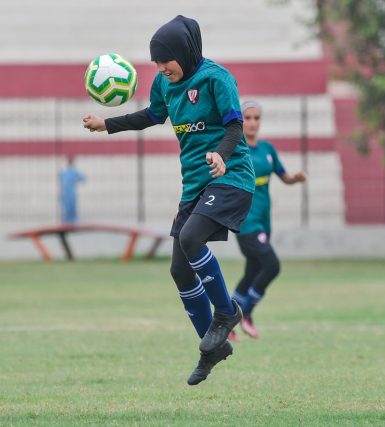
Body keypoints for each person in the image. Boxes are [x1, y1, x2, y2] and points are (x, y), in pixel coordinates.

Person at [82, 15, 255, 386]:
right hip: (195, 185)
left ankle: (226, 314)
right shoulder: (164, 84)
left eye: (166, 61)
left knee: (191, 240)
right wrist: (107, 124)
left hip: (231, 177)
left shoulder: (216, 78)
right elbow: (151, 116)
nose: (161, 69)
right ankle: (212, 350)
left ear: (185, 52)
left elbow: (235, 126)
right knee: (179, 268)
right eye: (156, 63)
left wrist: (222, 155)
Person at [230, 101, 306, 339]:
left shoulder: (267, 149)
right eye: (248, 118)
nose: (252, 122)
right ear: (241, 121)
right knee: (271, 265)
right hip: (245, 221)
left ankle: (224, 319)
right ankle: (247, 314)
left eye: (256, 118)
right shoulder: (235, 149)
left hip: (264, 221)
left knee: (253, 271)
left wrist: (295, 178)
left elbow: (284, 177)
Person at [59, 156, 86, 224]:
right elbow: (83, 178)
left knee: (70, 208)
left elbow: (83, 178)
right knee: (68, 208)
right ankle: (69, 222)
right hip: (67, 192)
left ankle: (70, 222)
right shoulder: (67, 172)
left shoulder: (67, 171)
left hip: (68, 192)